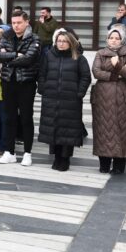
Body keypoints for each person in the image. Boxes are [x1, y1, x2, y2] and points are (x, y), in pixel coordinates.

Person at [37, 29, 91, 172]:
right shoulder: (49, 56)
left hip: (70, 101)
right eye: (59, 41)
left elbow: (85, 77)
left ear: (70, 43)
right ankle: (56, 157)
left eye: (64, 41)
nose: (61, 44)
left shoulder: (78, 57)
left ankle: (65, 159)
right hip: (51, 98)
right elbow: (41, 73)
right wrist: (43, 88)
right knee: (54, 128)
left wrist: (79, 93)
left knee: (68, 130)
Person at [0, 11, 41, 166]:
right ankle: (10, 152)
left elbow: (28, 59)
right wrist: (16, 55)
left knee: (26, 118)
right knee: (9, 118)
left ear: (26, 22)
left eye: (19, 22)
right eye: (13, 23)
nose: (16, 25)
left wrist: (8, 58)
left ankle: (27, 153)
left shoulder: (34, 38)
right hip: (8, 81)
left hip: (26, 82)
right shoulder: (6, 37)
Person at [91, 25, 126, 175]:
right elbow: (96, 72)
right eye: (111, 38)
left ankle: (119, 166)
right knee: (102, 130)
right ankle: (104, 164)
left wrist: (117, 64)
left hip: (122, 99)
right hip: (102, 98)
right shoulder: (100, 53)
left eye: (117, 38)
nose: (113, 41)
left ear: (122, 40)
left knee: (121, 130)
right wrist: (115, 75)